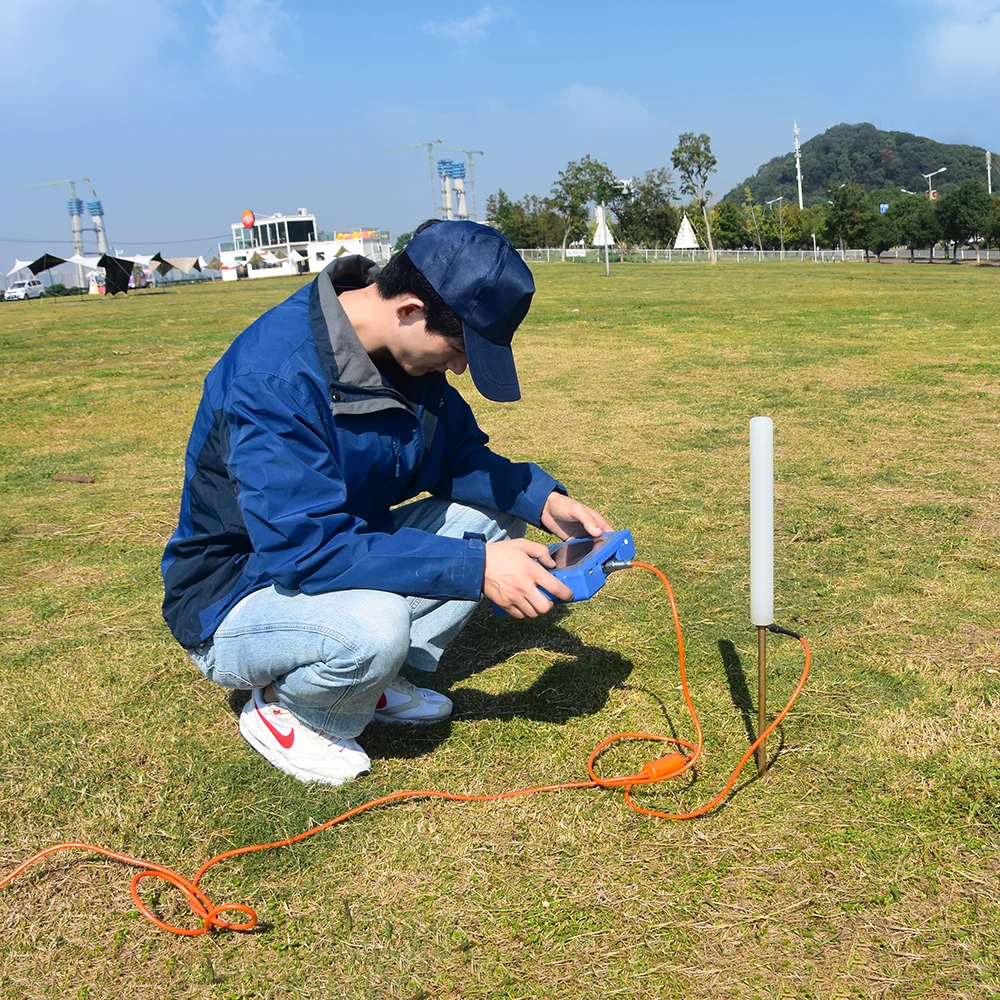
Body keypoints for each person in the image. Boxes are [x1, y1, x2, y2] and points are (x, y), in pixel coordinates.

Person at [161, 220, 612, 786]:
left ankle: (373, 682)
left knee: (497, 516)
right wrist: (475, 568)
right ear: (410, 309)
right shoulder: (274, 377)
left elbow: (455, 460)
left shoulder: (400, 356)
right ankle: (292, 710)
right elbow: (307, 549)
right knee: (374, 625)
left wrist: (543, 502)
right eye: (459, 348)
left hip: (333, 550)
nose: (460, 368)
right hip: (234, 593)